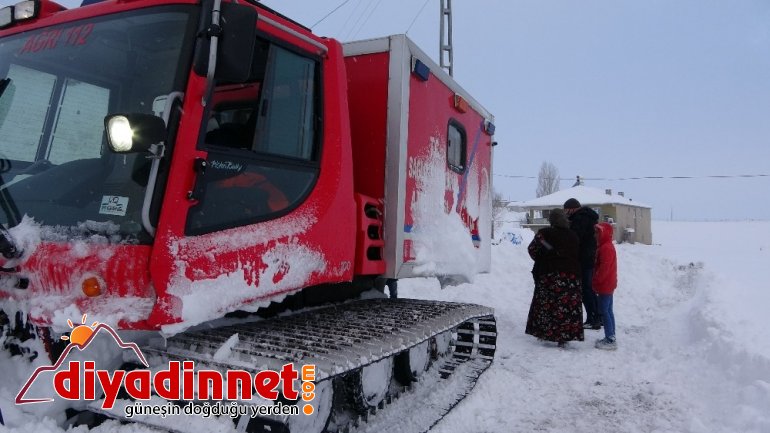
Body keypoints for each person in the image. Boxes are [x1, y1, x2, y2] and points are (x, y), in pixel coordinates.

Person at [525, 208, 584, 348]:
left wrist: (542, 258)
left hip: (550, 275)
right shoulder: (573, 236)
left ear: (551, 220)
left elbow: (532, 249)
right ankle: (564, 337)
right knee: (567, 306)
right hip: (572, 276)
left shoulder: (545, 233)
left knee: (547, 305)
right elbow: (578, 254)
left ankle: (545, 333)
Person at [563, 198, 601, 329]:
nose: (566, 213)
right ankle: (598, 316)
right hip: (589, 257)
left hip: (584, 259)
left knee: (586, 290)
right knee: (589, 289)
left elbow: (574, 238)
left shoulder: (580, 218)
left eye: (566, 210)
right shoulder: (588, 217)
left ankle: (593, 319)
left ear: (572, 208)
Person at [594, 222, 618, 350]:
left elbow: (604, 268)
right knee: (608, 310)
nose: (595, 235)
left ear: (604, 233)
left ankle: (610, 339)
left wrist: (596, 281)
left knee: (604, 310)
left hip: (605, 284)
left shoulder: (606, 248)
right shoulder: (606, 246)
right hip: (609, 283)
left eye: (598, 232)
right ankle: (611, 335)